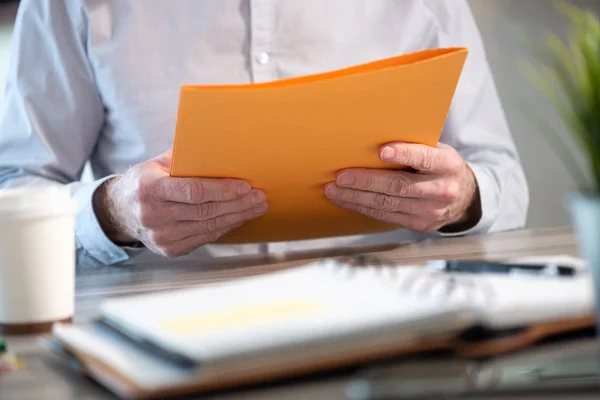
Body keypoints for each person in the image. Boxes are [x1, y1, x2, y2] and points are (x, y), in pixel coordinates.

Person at [0, 0, 528, 269]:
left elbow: (503, 180)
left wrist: (461, 198)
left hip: (395, 326)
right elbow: (13, 189)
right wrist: (112, 214)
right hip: (165, 331)